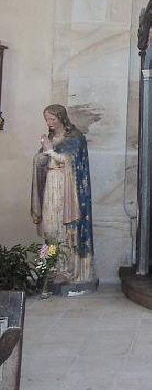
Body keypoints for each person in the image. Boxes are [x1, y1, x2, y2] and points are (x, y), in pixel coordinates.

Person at [31, 104, 95, 284]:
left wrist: (50, 151)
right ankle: (49, 266)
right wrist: (41, 157)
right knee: (49, 228)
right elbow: (42, 160)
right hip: (50, 185)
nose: (49, 122)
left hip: (66, 188)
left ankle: (65, 270)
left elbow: (71, 161)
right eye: (46, 119)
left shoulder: (75, 138)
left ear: (61, 118)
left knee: (65, 229)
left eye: (52, 118)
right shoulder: (51, 138)